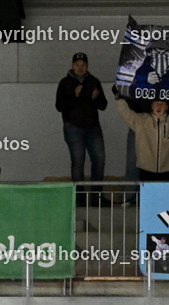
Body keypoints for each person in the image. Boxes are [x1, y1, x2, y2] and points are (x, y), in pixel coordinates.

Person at [114, 93, 169, 181]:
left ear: (167, 106)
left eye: (162, 103)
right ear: (151, 106)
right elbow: (125, 112)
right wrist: (119, 97)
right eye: (156, 103)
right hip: (146, 172)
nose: (158, 106)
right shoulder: (140, 121)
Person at [55, 52, 108, 203]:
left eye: (83, 65)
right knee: (78, 161)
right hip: (73, 127)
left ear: (87, 66)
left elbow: (103, 105)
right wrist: (74, 95)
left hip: (93, 127)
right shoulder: (65, 83)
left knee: (99, 159)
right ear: (72, 66)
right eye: (77, 65)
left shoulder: (94, 81)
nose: (80, 68)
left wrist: (96, 97)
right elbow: (59, 106)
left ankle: (97, 196)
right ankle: (79, 197)